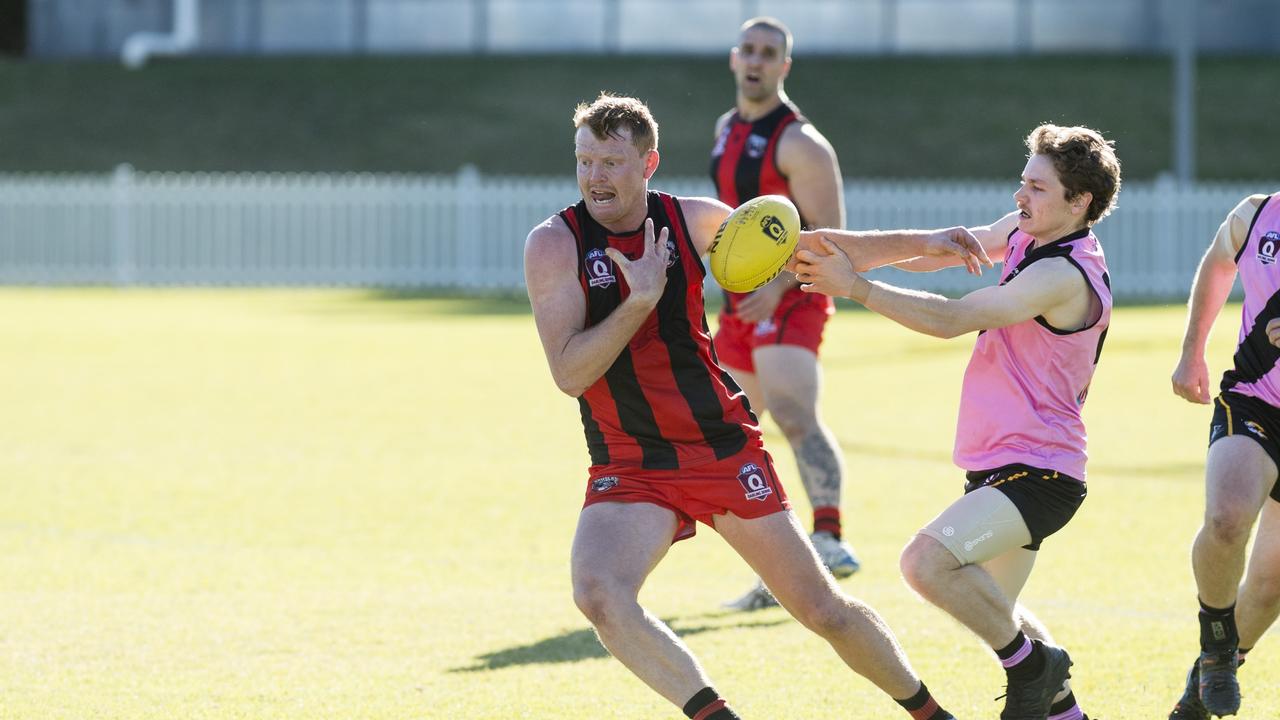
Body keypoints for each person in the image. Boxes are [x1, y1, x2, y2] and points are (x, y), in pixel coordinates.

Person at [524, 92, 983, 720]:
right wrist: (637, 302)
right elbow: (570, 372)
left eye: (611, 162)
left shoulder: (688, 221)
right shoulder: (555, 245)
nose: (595, 177)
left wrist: (926, 244)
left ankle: (933, 716)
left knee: (824, 611)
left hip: (719, 444)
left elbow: (813, 246)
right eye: (584, 162)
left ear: (648, 163)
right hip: (629, 458)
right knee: (600, 594)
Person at [791, 123, 1120, 720]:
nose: (1022, 196)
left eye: (1039, 188)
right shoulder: (1025, 232)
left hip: (1041, 472)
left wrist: (855, 288)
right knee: (1002, 613)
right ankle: (1057, 697)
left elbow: (954, 318)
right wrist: (815, 243)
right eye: (1023, 181)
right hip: (1000, 466)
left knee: (926, 564)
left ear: (1080, 203)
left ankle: (1035, 669)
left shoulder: (1064, 274)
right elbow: (935, 251)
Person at [709, 16, 858, 611]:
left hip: (793, 298)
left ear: (784, 67)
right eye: (748, 49)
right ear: (733, 57)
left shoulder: (801, 143)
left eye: (769, 53)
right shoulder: (725, 131)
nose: (756, 60)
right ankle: (784, 565)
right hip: (738, 307)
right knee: (724, 432)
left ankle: (831, 538)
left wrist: (779, 283)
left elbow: (834, 234)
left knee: (795, 413)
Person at [1167, 191, 1280, 719]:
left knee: (1273, 577)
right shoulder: (1256, 214)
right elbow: (1218, 263)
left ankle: (1209, 676)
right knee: (1227, 518)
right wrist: (1193, 350)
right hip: (1255, 400)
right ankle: (1216, 644)